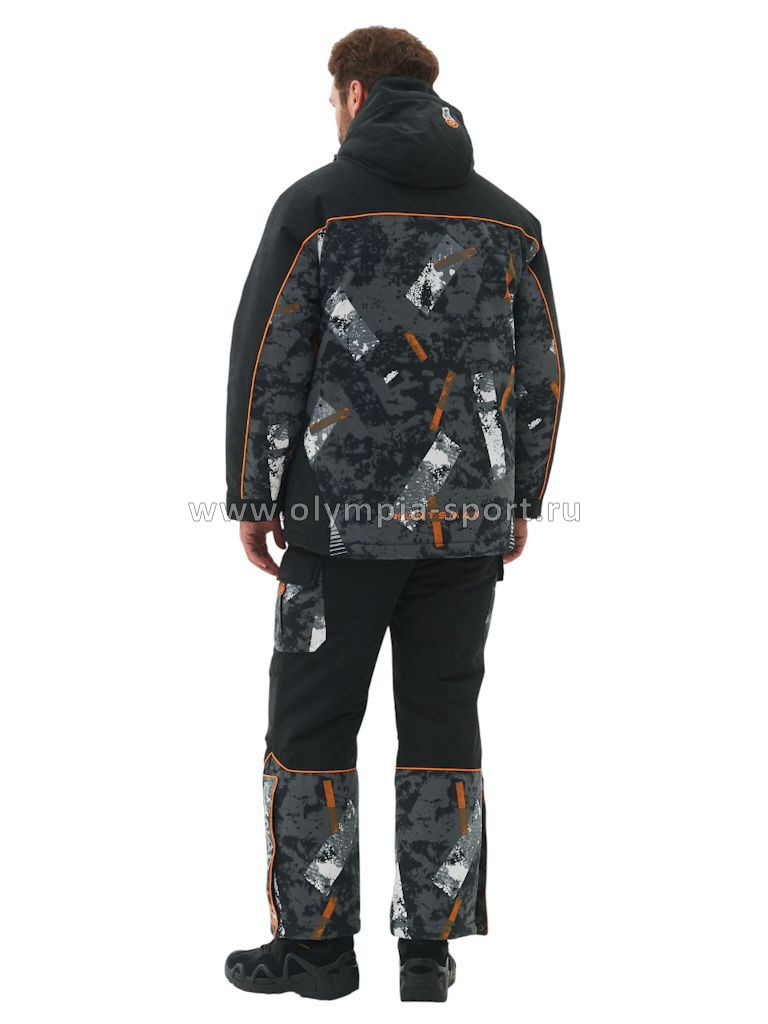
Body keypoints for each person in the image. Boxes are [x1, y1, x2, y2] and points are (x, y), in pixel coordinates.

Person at [224, 25, 563, 1002]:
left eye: (331, 98)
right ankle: (428, 952)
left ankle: (317, 952)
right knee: (443, 718)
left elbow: (269, 361)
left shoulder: (315, 207)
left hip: (336, 528)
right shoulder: (510, 222)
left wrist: (252, 495)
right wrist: (521, 496)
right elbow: (543, 375)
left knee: (311, 721)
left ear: (355, 94)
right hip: (465, 529)